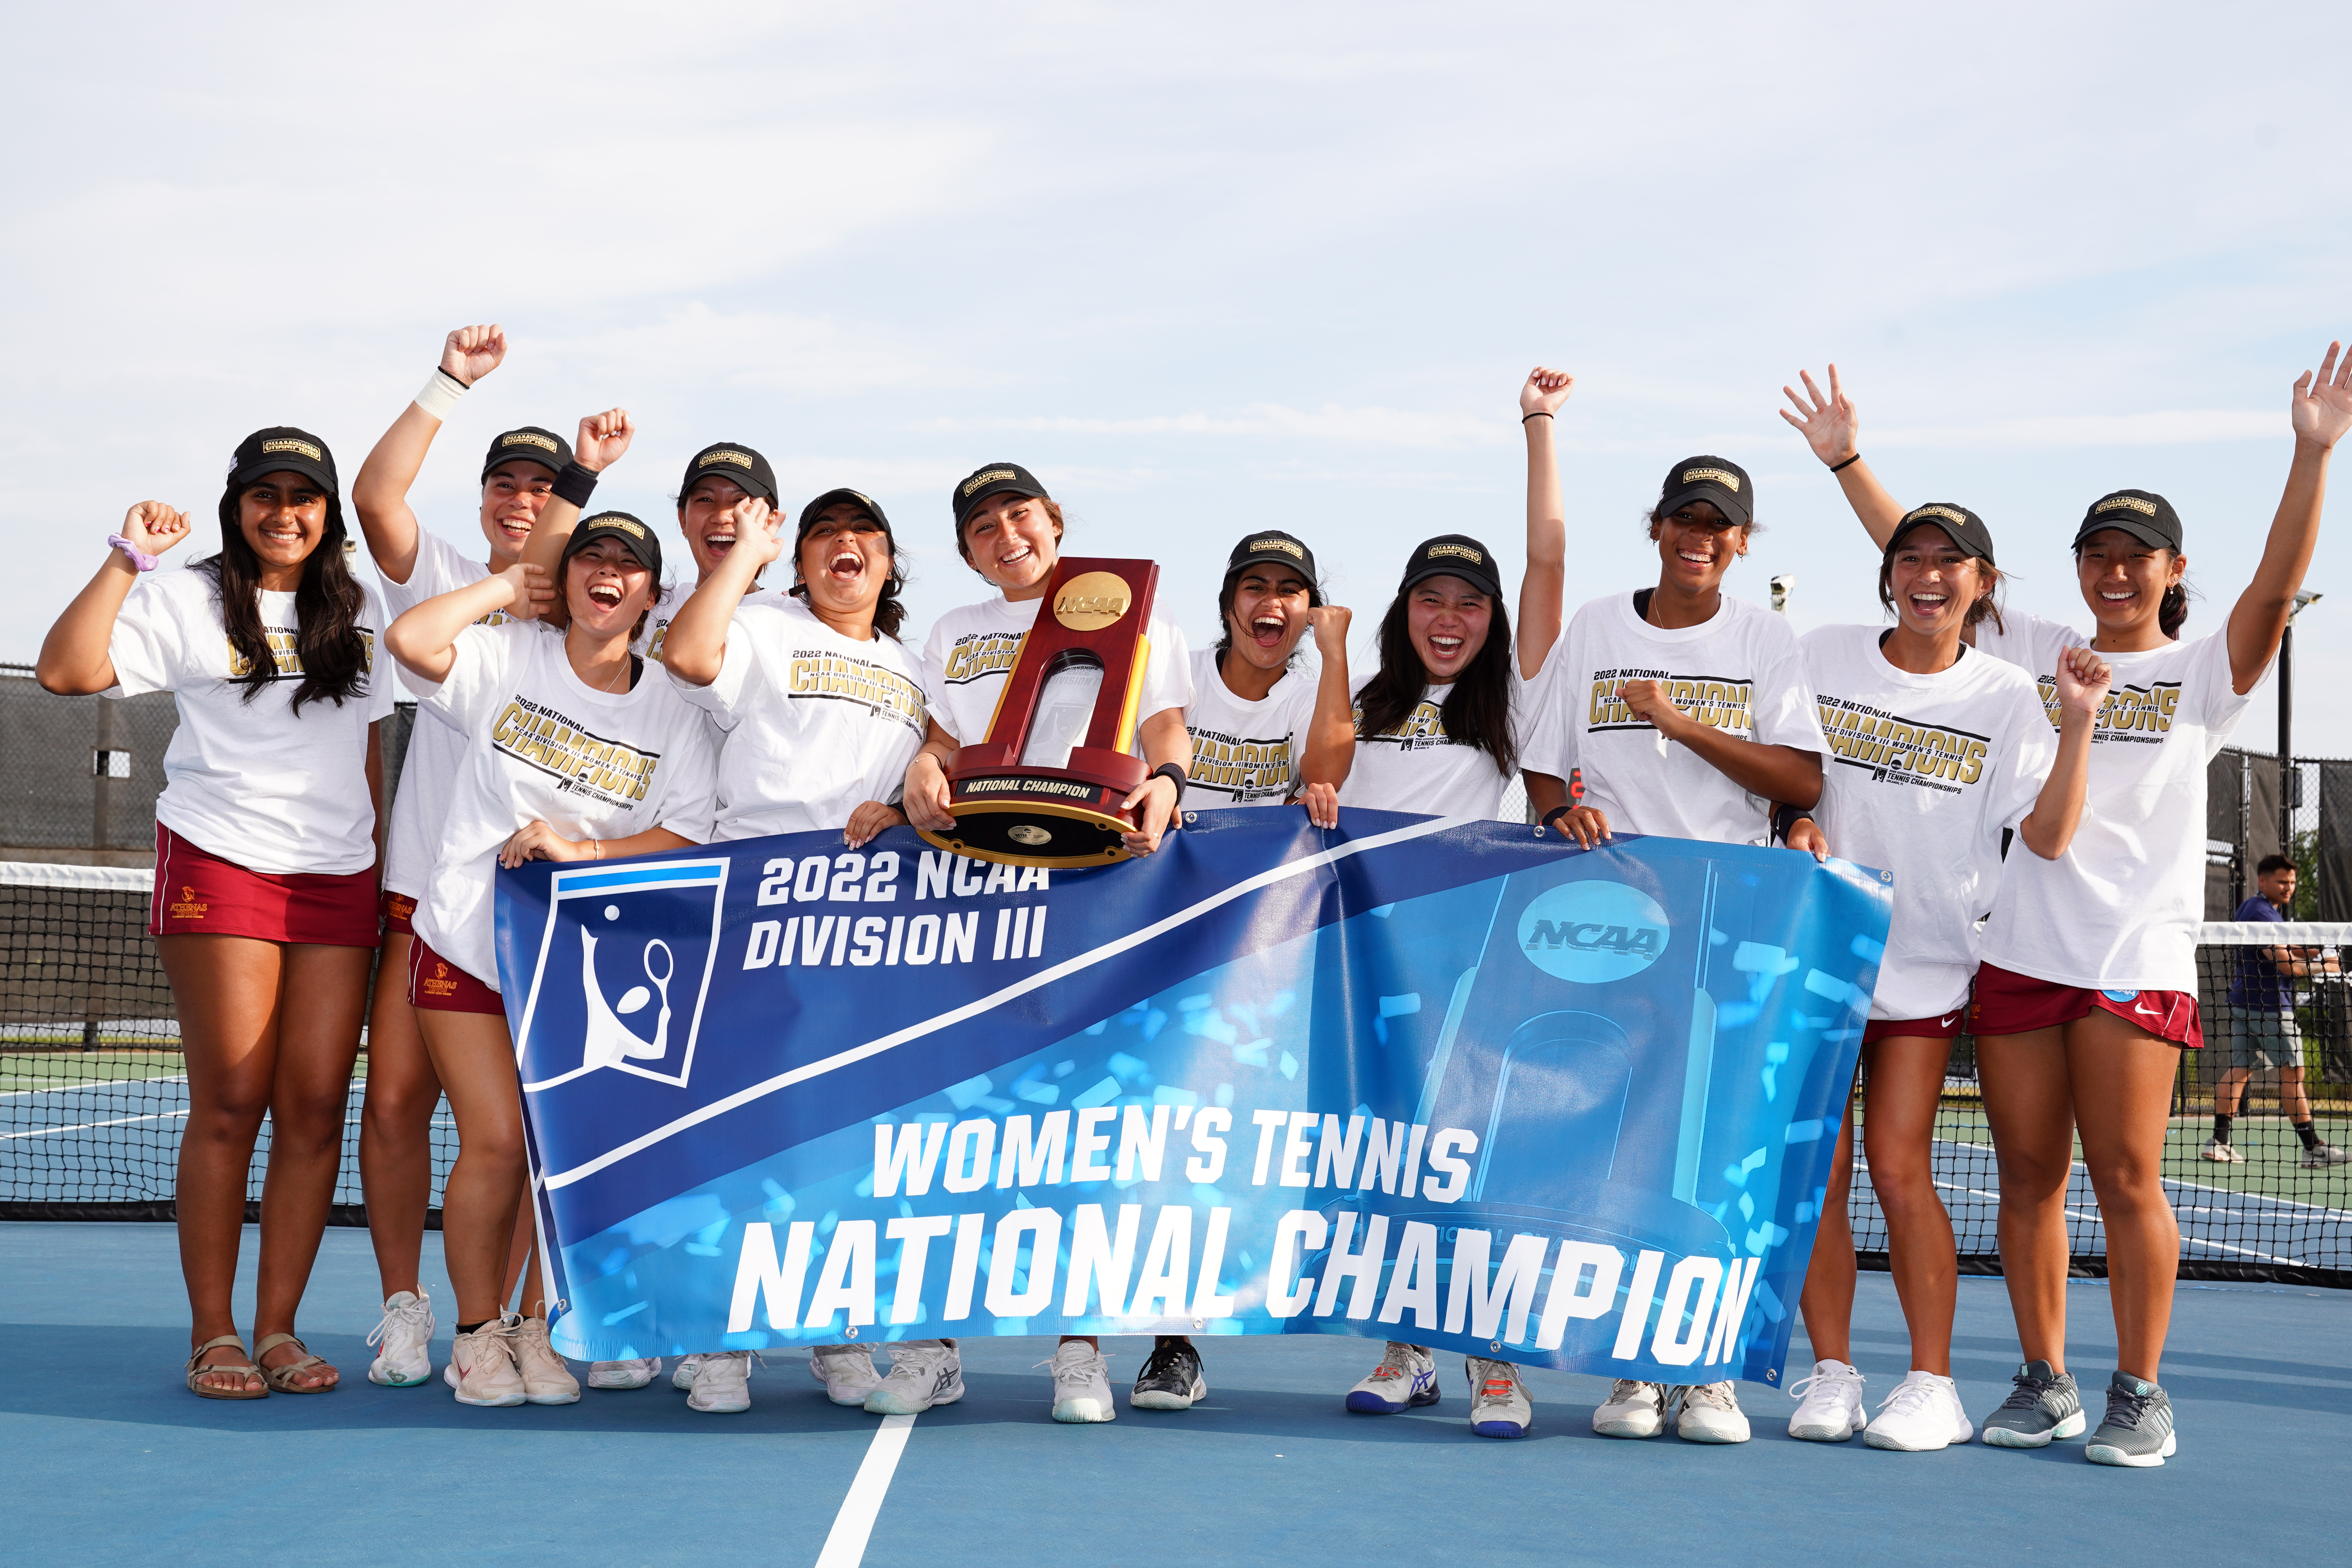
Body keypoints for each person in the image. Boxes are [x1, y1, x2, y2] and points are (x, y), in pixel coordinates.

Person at [1785, 342, 2351, 1467]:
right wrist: (1847, 460)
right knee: (2026, 1179)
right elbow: (1932, 574)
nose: (2112, 573)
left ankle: (2138, 1389)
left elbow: (2276, 588)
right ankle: (2042, 1380)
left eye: (2134, 557)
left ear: (2170, 568)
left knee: (2127, 1175)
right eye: (2096, 554)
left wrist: (2311, 451)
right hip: (2016, 951)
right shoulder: (2043, 654)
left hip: (2131, 952)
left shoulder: (2199, 671)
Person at [36, 430, 394, 1399]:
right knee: (233, 1100)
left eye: (305, 496)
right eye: (265, 494)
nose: (285, 512)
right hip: (220, 863)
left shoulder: (363, 606)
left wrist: (374, 858)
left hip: (338, 877)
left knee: (316, 1109)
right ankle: (215, 1332)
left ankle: (279, 1329)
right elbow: (65, 672)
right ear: (238, 504)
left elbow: (366, 744)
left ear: (327, 511)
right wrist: (125, 559)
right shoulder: (183, 595)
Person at [383, 421, 718, 1411]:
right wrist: (503, 588)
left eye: (627, 564)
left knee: (547, 1152)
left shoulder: (672, 709)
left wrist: (590, 851)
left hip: (586, 962)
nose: (605, 572)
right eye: (589, 559)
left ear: (652, 595)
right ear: (564, 579)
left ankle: (539, 1326)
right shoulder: (504, 660)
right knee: (491, 1139)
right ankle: (476, 1332)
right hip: (466, 938)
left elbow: (690, 835)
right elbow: (409, 639)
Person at [1523, 418, 1831, 1447]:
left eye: (1720, 526)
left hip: (1733, 919)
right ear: (1655, 529)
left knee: (1720, 1145)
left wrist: (1681, 720)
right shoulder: (1600, 627)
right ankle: (1629, 1369)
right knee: (1623, 1143)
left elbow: (1798, 780)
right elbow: (1538, 765)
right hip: (1614, 920)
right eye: (1684, 519)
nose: (1699, 537)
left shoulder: (1763, 640)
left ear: (1742, 544)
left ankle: (1706, 1371)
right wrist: (1561, 811)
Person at [1776, 503, 2109, 1452]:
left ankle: (1931, 1382)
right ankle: (1834, 1370)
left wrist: (2077, 723)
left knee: (1896, 1164)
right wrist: (1792, 823)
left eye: (1949, 563)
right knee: (1819, 1174)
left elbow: (2045, 835)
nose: (1928, 576)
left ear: (1982, 584)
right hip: (1817, 953)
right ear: (1888, 577)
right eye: (1910, 559)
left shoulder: (2007, 694)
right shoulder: (1823, 652)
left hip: (1924, 964)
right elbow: (1790, 778)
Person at [901, 461, 1194, 1423]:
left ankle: (1078, 1349)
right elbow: (944, 740)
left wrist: (1169, 783)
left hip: (1091, 889)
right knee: (948, 1117)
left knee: (1078, 1117)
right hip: (969, 890)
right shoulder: (950, 630)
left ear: (1054, 519)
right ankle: (934, 1345)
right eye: (980, 524)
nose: (1004, 533)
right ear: (966, 549)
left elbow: (1165, 735)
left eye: (1018, 513)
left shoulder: (1143, 614)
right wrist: (922, 764)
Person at [1327, 370, 1570, 1440]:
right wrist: (1331, 653)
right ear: (1404, 611)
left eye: (1470, 605)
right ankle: (1402, 1353)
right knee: (1387, 1161)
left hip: (1469, 965)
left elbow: (1547, 557)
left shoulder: (1513, 695)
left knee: (1472, 1166)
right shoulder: (1367, 699)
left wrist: (1536, 425)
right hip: (1365, 966)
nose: (1450, 618)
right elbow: (1318, 774)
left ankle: (1496, 1368)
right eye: (1431, 600)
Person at [659, 485, 936, 1416]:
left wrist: (898, 810)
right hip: (753, 906)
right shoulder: (765, 624)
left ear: (891, 562)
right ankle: (723, 1339)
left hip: (863, 925)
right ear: (800, 560)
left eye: (863, 536)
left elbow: (930, 787)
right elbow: (689, 653)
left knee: (842, 1137)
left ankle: (837, 1330)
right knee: (739, 1129)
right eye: (822, 537)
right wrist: (749, 552)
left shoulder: (911, 666)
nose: (843, 547)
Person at [519, 436, 783, 1395]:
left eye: (744, 504)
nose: (723, 515)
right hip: (643, 922)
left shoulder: (797, 620)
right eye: (705, 501)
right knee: (643, 1129)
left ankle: (737, 1329)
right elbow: (539, 576)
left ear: (770, 521)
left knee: (749, 1134)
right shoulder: (650, 600)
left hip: (756, 913)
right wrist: (578, 479)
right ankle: (636, 1320)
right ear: (683, 521)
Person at [348, 324, 573, 1388]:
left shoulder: (579, 616)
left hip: (535, 915)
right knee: (393, 1102)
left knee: (523, 1134)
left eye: (543, 487)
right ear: (484, 497)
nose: (521, 500)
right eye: (506, 483)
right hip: (418, 906)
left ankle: (529, 1316)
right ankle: (406, 1305)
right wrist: (450, 382)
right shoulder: (440, 575)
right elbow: (377, 496)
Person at [2208, 854, 2348, 1168]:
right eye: (2282, 881)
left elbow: (2275, 951)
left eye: (2293, 882)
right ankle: (2313, 1148)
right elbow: (2285, 965)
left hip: (2245, 1005)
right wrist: (2324, 965)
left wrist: (2311, 950)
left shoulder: (2252, 908)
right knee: (2292, 1074)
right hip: (2271, 1009)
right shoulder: (2264, 915)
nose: (2289, 888)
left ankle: (2217, 1141)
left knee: (2239, 1070)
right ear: (2263, 880)